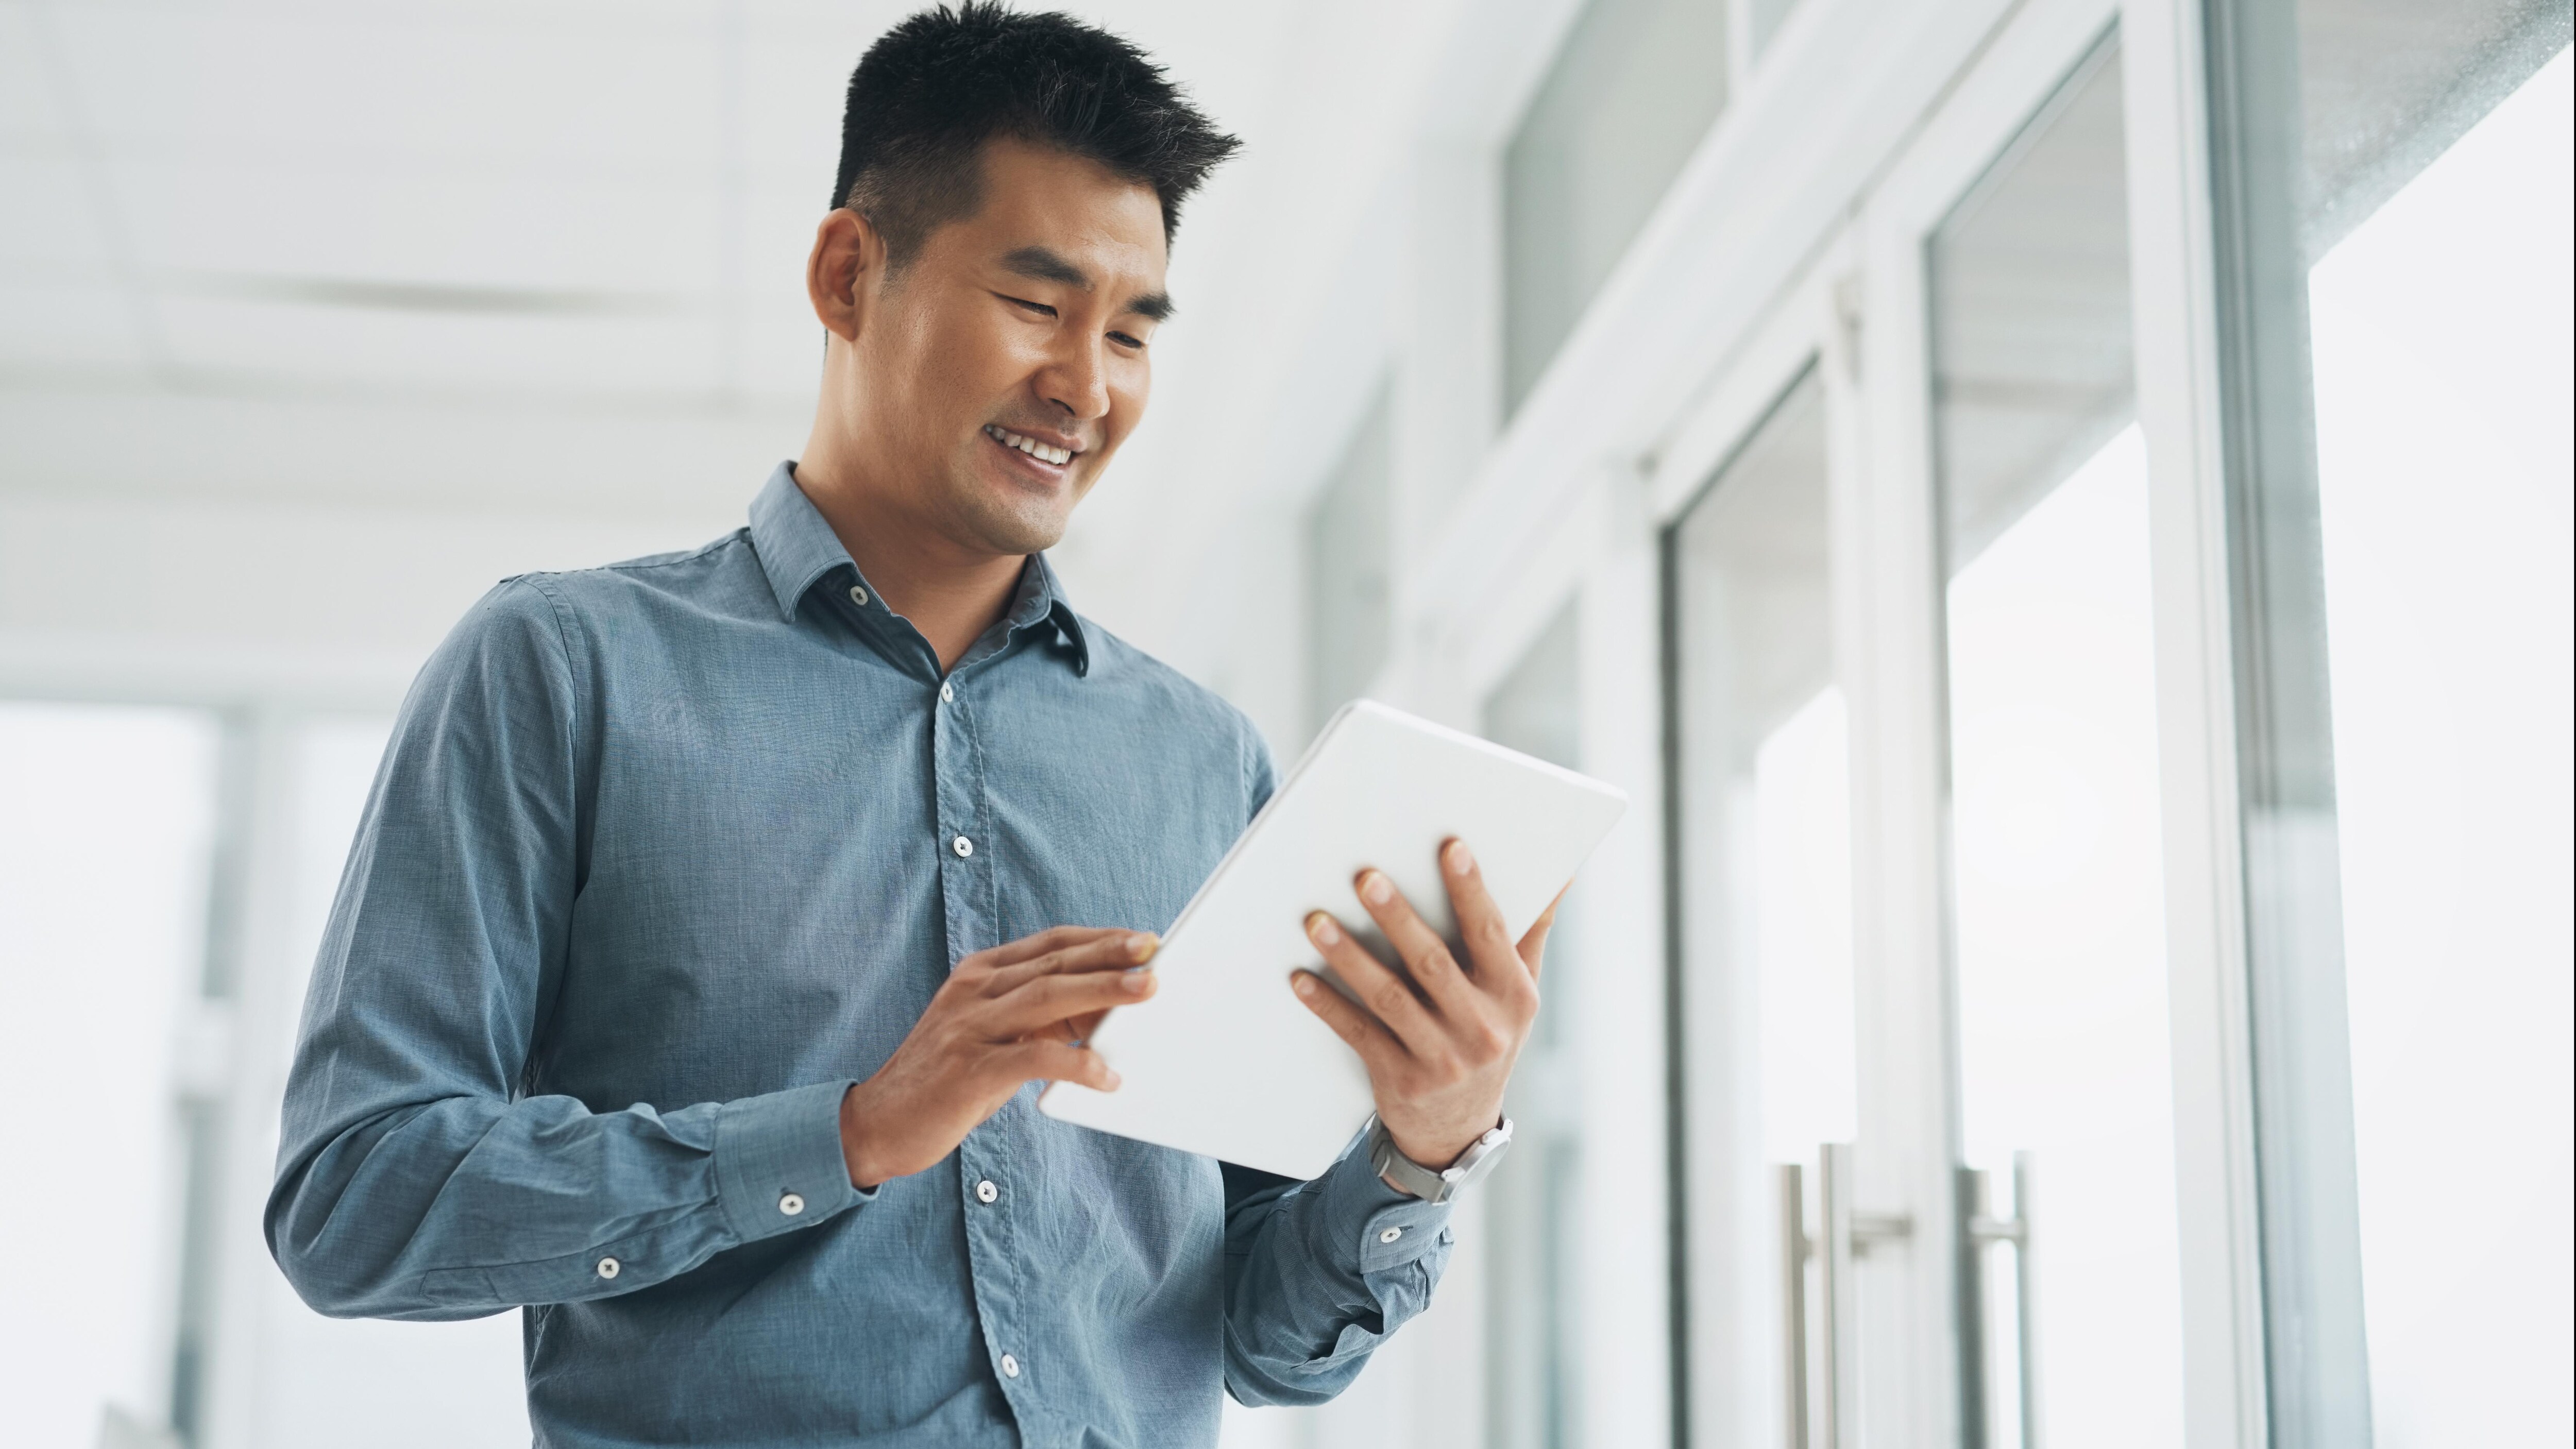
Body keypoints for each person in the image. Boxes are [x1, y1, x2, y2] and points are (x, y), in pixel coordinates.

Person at [266, 6, 1559, 1446]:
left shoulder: (1203, 759)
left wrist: (1424, 1148)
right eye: (1036, 302)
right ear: (847, 273)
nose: (1089, 382)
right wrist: (855, 1131)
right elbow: (355, 1202)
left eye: (1133, 328)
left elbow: (1264, 1343)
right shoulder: (563, 672)